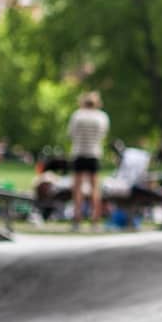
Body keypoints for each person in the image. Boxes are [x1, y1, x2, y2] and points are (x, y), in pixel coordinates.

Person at [67, 92, 110, 226]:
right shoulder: (101, 117)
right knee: (94, 187)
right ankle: (95, 217)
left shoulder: (77, 115)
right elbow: (103, 134)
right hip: (94, 153)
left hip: (79, 152)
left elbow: (71, 134)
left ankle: (77, 216)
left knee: (77, 187)